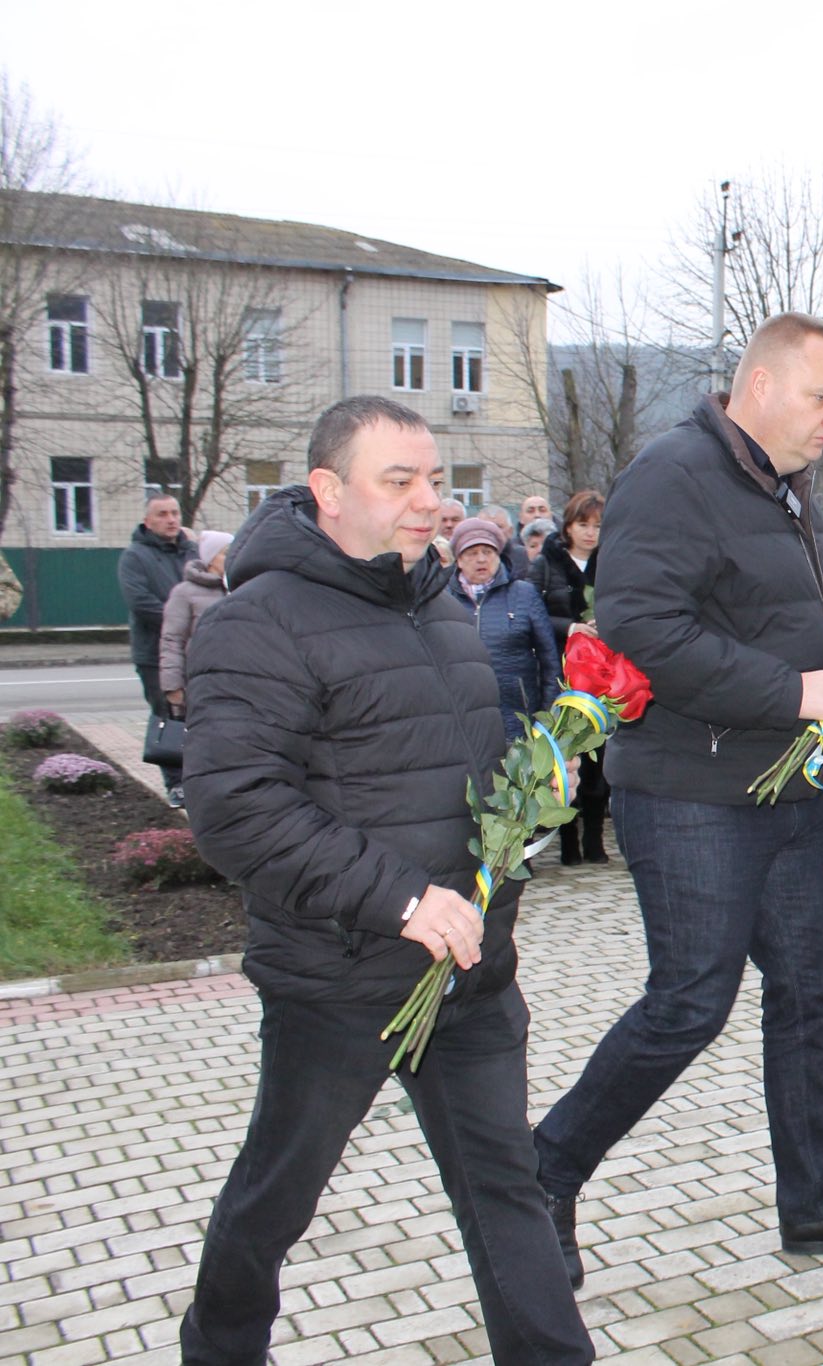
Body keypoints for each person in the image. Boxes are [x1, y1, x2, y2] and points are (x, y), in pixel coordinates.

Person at [177, 396, 592, 1364]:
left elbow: (454, 773)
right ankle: (220, 1346)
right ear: (327, 491)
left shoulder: (441, 605)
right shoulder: (257, 621)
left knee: (506, 1190)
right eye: (398, 481)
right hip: (338, 979)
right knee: (276, 1195)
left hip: (468, 981)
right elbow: (236, 809)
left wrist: (536, 786)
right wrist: (403, 899)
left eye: (436, 481)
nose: (429, 503)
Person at [533, 312, 823, 1266]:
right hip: (691, 791)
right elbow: (639, 628)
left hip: (784, 784)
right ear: (759, 386)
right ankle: (543, 1171)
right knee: (689, 1002)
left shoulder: (786, 486)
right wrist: (793, 688)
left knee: (811, 987)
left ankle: (816, 1200)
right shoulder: (674, 476)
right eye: (821, 396)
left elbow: (770, 614)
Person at [528, 490, 609, 867]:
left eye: (596, 526)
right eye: (583, 525)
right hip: (563, 671)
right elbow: (534, 613)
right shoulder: (548, 563)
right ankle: (568, 844)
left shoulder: (610, 563)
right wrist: (572, 626)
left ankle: (595, 840)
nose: (590, 533)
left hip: (602, 674)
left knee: (598, 762)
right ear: (568, 526)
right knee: (566, 761)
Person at [448, 517, 560, 742]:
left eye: (488, 552)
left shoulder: (523, 594)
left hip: (517, 721)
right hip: (460, 724)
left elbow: (550, 661)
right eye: (472, 553)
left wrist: (547, 719)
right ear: (458, 560)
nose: (481, 559)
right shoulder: (442, 600)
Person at [119, 492, 197, 803]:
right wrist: (181, 623)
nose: (171, 519)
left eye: (175, 513)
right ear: (147, 521)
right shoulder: (135, 557)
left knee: (198, 715)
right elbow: (141, 603)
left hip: (195, 651)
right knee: (168, 715)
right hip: (154, 653)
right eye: (162, 514)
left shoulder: (192, 553)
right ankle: (175, 783)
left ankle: (198, 777)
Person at [158, 530, 234, 764]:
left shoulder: (240, 590)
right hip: (200, 685)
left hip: (237, 685)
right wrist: (173, 686)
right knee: (204, 746)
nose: (232, 559)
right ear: (211, 559)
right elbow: (172, 640)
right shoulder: (185, 593)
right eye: (226, 554)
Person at [481, 504, 528, 576]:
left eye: (499, 527)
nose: (493, 531)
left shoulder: (523, 556)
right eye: (487, 527)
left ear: (510, 531)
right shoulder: (468, 555)